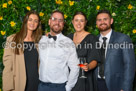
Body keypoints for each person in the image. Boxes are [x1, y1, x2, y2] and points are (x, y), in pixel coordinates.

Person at [38, 10, 79, 91]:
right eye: (54, 19)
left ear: (63, 24)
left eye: (60, 20)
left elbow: (75, 67)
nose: (57, 22)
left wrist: (68, 87)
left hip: (59, 87)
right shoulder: (41, 40)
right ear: (49, 22)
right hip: (41, 86)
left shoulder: (68, 43)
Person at [95, 9, 136, 91]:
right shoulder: (93, 40)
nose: (102, 22)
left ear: (111, 21)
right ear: (96, 23)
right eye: (99, 20)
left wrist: (125, 88)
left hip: (116, 85)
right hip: (96, 85)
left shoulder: (123, 39)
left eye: (105, 19)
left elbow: (130, 65)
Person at [2, 10, 42, 91]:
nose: (32, 23)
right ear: (25, 21)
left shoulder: (39, 41)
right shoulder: (12, 39)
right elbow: (8, 67)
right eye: (30, 20)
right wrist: (7, 88)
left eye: (35, 21)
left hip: (36, 85)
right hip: (19, 84)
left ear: (38, 24)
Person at [67, 11, 100, 91]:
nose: (78, 23)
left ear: (85, 22)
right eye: (76, 20)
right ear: (72, 22)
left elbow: (95, 60)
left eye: (81, 21)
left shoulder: (92, 38)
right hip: (69, 78)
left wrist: (88, 66)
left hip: (84, 79)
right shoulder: (68, 38)